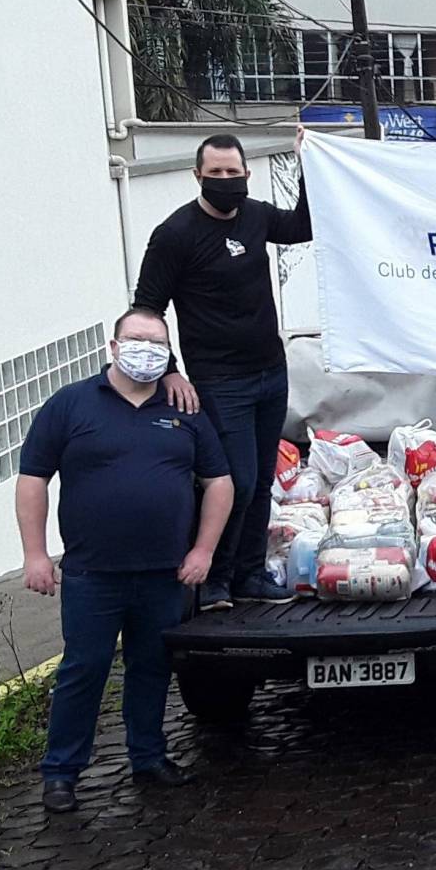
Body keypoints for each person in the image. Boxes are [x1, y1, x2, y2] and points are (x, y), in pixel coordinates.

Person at [17, 308, 234, 814]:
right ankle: (61, 773)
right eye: (136, 339)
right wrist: (35, 554)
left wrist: (203, 550)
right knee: (83, 670)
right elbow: (32, 479)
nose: (146, 350)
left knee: (152, 667)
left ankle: (149, 757)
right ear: (113, 347)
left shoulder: (184, 407)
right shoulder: (70, 404)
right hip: (92, 574)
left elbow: (219, 483)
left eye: (157, 343)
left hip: (165, 573)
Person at [133, 131, 311, 613]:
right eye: (216, 173)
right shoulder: (175, 234)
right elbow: (146, 309)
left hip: (270, 372)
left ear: (247, 174)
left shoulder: (256, 216)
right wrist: (169, 371)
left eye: (233, 172)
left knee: (262, 481)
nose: (226, 180)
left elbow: (302, 225)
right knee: (235, 481)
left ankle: (250, 575)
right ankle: (213, 579)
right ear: (198, 176)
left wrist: (310, 164)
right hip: (219, 381)